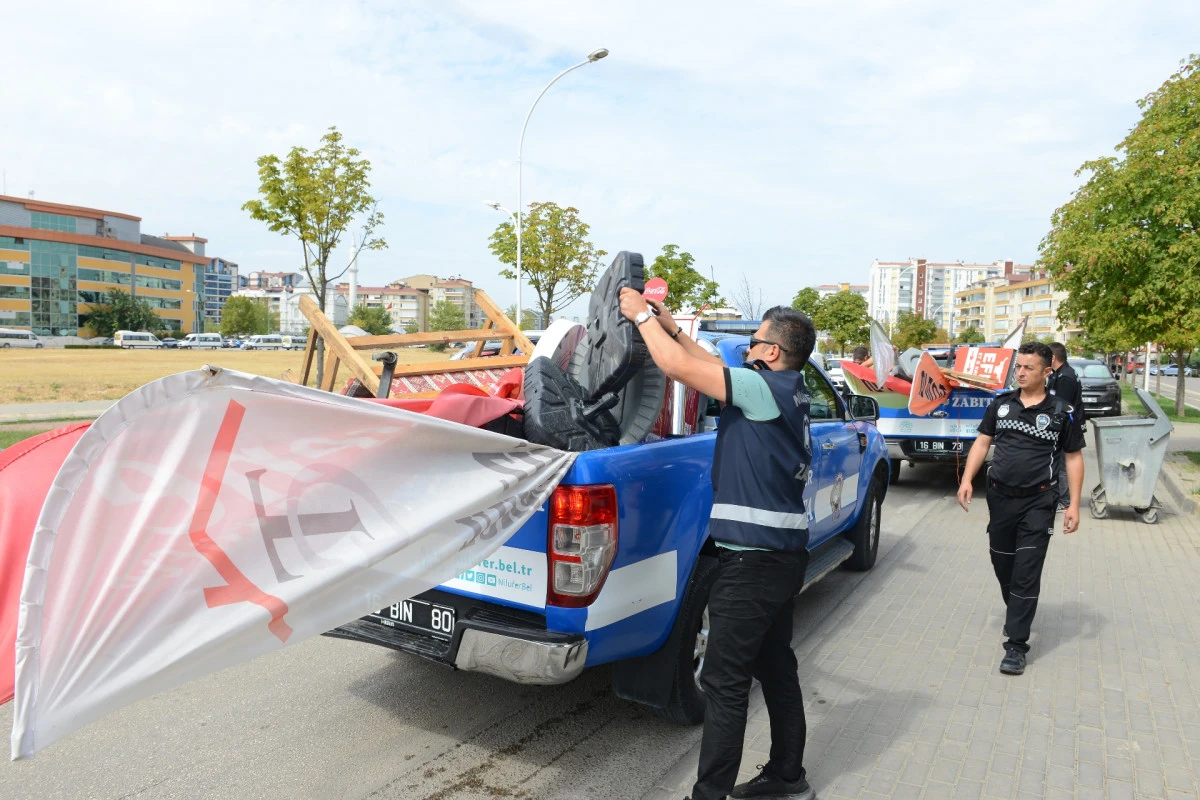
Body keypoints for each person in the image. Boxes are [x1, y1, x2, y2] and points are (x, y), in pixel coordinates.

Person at [618, 289, 817, 800]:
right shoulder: (788, 388)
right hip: (782, 558)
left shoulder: (761, 388)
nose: (747, 348)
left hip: (751, 566)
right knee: (776, 668)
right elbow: (704, 363)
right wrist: (673, 327)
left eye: (754, 341)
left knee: (725, 685)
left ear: (771, 352)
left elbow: (679, 370)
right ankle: (787, 776)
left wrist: (640, 317)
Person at [956, 342, 1084, 676]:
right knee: (1003, 564)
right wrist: (967, 479)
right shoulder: (1001, 405)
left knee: (1026, 572)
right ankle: (1016, 611)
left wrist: (1074, 505)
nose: (1022, 372)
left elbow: (1073, 457)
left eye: (1029, 367)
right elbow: (983, 441)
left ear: (1046, 371)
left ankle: (1016, 646)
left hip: (1039, 502)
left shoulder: (1061, 411)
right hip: (1000, 498)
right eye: (1019, 367)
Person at [1046, 342, 1083, 511]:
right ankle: (1060, 497)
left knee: (1063, 466)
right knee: (1059, 464)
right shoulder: (1058, 374)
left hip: (1065, 428)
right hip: (1061, 426)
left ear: (1053, 357)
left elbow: (1062, 406)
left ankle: (1065, 501)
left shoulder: (1065, 377)